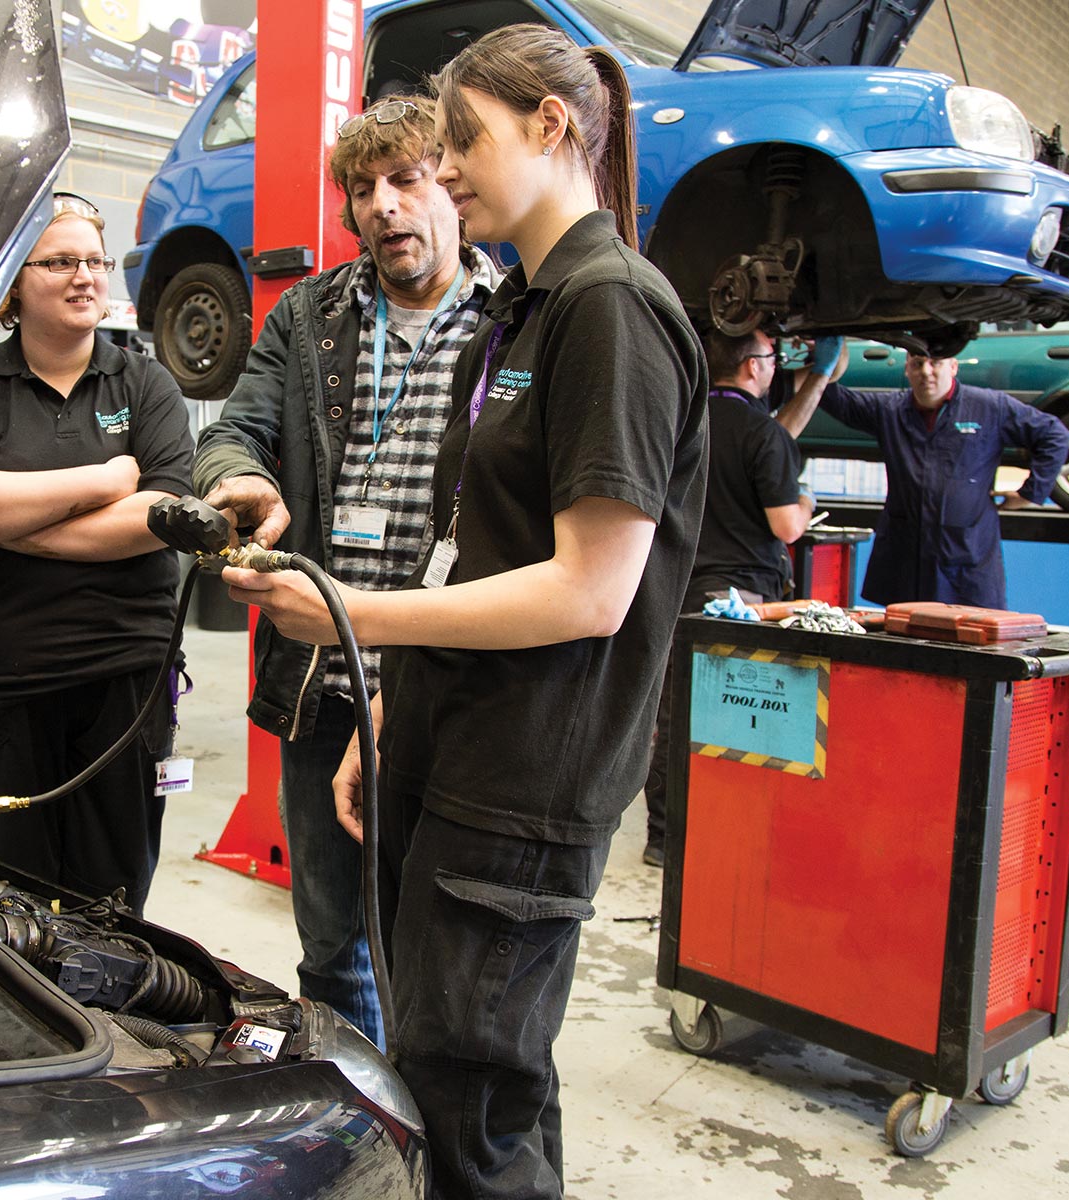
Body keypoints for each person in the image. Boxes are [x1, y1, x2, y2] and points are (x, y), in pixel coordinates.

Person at [224, 26, 706, 1199]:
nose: (440, 179)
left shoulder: (611, 310)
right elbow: (471, 547)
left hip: (526, 782)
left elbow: (592, 592)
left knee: (468, 1101)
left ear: (553, 127)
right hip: (456, 748)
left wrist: (354, 616)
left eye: (463, 146)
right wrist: (398, 704)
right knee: (458, 1080)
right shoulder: (532, 311)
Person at [195, 96, 499, 1049]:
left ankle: (431, 1123)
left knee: (442, 950)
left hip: (450, 690)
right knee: (333, 944)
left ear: (448, 184)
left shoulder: (516, 324)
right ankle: (356, 1122)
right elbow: (237, 427)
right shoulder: (311, 313)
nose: (383, 207)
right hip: (320, 689)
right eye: (362, 190)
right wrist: (241, 479)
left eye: (406, 180)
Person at [0, 193, 195, 912]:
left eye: (96, 262)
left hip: (122, 684)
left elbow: (159, 518)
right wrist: (104, 479)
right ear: (14, 283)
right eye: (62, 262)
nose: (87, 277)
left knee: (113, 904)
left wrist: (3, 510)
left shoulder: (146, 383)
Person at [639, 330, 842, 867]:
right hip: (743, 603)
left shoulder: (685, 419)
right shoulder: (763, 434)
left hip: (679, 592)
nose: (776, 365)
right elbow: (788, 526)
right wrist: (805, 496)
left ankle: (663, 836)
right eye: (773, 357)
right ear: (754, 367)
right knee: (747, 722)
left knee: (674, 717)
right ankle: (734, 831)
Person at [810, 351, 1068, 608]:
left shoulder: (990, 408)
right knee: (903, 640)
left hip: (966, 561)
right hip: (907, 563)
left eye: (936, 363)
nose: (926, 371)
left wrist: (1031, 493)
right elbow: (837, 399)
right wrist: (820, 354)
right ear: (906, 370)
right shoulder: (889, 411)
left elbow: (1054, 434)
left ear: (953, 367)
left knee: (967, 642)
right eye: (918, 364)